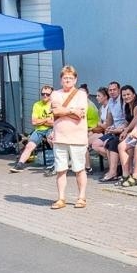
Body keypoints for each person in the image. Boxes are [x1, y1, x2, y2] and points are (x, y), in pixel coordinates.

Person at [47, 65, 89, 209]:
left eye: (71, 78)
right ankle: (61, 198)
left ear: (75, 79)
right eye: (65, 78)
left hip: (78, 138)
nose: (68, 80)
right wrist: (72, 110)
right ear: (60, 80)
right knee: (60, 169)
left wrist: (62, 111)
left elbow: (81, 113)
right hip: (60, 137)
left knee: (79, 169)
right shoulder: (55, 94)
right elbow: (55, 110)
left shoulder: (81, 94)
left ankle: (82, 197)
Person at [9, 83, 54, 171]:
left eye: (47, 94)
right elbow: (34, 122)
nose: (45, 96)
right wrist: (46, 120)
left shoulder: (54, 105)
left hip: (51, 129)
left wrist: (41, 121)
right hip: (39, 130)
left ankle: (56, 163)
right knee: (29, 146)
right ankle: (20, 164)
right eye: (43, 94)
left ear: (51, 95)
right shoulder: (37, 105)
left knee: (51, 140)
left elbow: (54, 123)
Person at [92, 81, 128, 181]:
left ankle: (113, 171)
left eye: (114, 90)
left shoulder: (123, 101)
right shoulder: (111, 102)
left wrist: (117, 129)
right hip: (114, 129)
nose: (112, 92)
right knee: (95, 144)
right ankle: (118, 163)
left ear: (119, 90)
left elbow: (128, 119)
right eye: (110, 90)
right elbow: (110, 120)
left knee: (108, 144)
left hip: (122, 130)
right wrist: (109, 127)